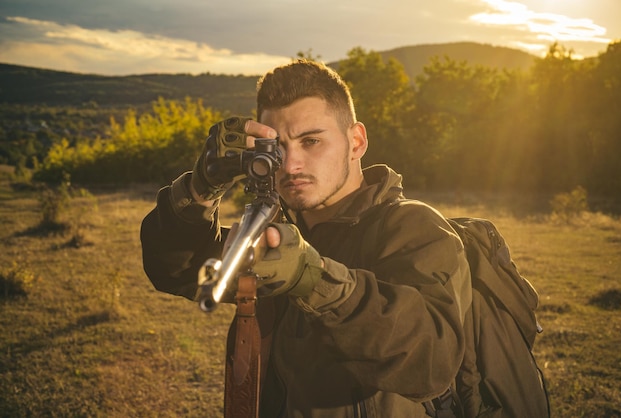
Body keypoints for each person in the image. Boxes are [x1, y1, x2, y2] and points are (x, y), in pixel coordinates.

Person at [140, 59, 472, 417]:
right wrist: (201, 186)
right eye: (277, 148)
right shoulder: (277, 235)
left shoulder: (412, 227)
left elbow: (430, 364)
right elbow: (174, 268)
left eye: (311, 141)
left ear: (356, 141)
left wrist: (313, 279)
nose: (290, 164)